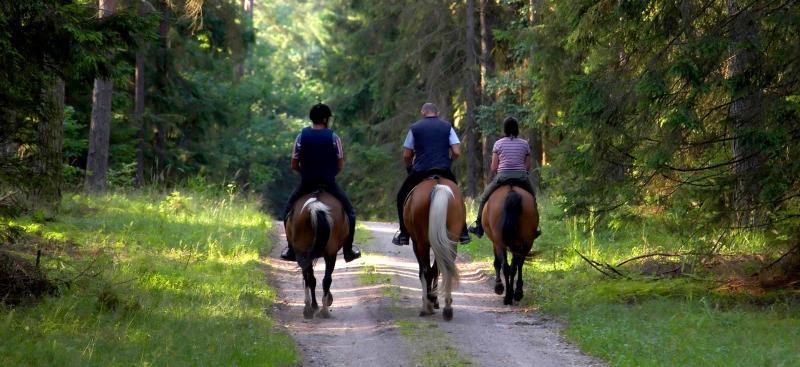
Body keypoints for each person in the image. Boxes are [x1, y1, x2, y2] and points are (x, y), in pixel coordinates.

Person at [280, 103, 361, 262]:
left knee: (287, 212)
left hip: (306, 183)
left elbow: (294, 164)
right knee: (350, 213)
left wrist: (304, 174)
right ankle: (348, 250)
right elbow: (340, 164)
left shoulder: (300, 136)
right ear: (325, 119)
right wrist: (330, 175)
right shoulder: (333, 137)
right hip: (329, 183)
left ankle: (291, 249)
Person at [392, 102, 471, 246]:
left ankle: (403, 233)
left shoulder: (415, 128)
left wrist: (410, 168)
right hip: (443, 169)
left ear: (423, 113)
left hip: (421, 170)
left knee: (401, 196)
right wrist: (449, 161)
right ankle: (463, 232)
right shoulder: (447, 127)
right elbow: (457, 151)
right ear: (437, 113)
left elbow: (406, 155)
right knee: (457, 196)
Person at [468, 117, 541, 238]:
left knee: (484, 197)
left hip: (502, 177)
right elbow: (528, 166)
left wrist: (501, 172)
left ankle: (479, 227)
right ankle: (535, 228)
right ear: (517, 129)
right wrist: (521, 173)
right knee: (532, 198)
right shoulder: (524, 144)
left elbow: (493, 166)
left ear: (505, 129)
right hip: (521, 177)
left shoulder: (498, 144)